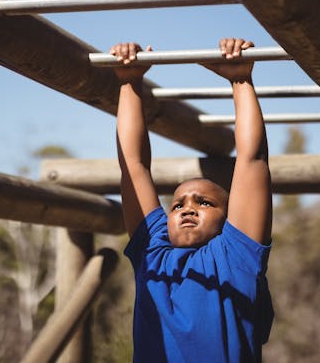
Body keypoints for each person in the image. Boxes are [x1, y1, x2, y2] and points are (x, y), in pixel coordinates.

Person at [112, 37, 274, 362]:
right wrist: (130, 82)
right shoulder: (152, 251)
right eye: (178, 204)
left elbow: (252, 158)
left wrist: (240, 80)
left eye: (204, 203)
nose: (187, 208)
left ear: (229, 220)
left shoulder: (234, 254)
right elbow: (134, 165)